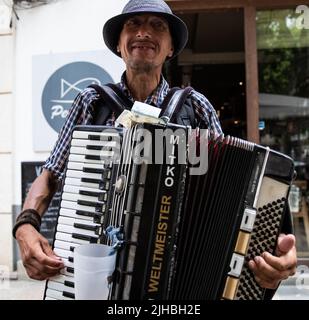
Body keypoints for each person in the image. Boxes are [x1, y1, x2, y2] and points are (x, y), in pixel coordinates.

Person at [13, 0, 296, 294]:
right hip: (101, 277)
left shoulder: (195, 107)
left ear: (171, 48)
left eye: (157, 25)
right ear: (119, 46)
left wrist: (271, 257)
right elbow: (50, 174)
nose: (144, 32)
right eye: (133, 24)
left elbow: (236, 193)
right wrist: (25, 226)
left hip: (178, 286)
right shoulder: (92, 102)